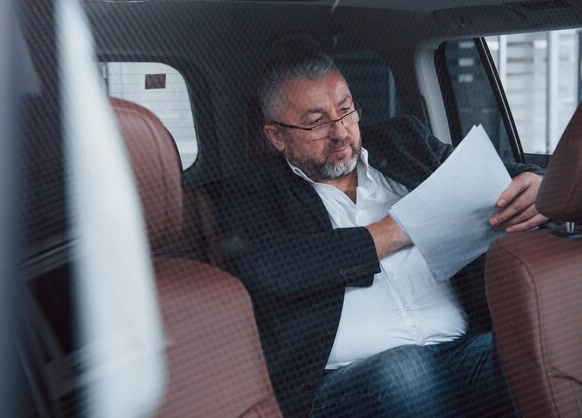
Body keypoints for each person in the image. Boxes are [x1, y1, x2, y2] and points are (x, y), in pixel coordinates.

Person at [218, 45, 546, 418]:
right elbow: (273, 268)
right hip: (344, 383)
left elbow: (488, 175)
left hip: (457, 352)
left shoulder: (404, 140)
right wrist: (399, 229)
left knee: (525, 349)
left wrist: (538, 184)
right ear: (277, 136)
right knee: (406, 373)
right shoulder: (254, 189)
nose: (340, 132)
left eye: (346, 110)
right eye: (316, 122)